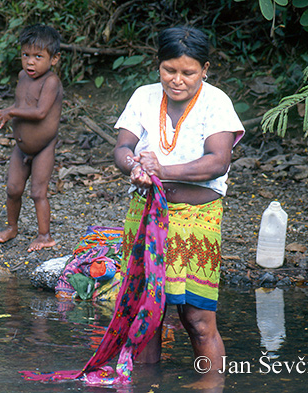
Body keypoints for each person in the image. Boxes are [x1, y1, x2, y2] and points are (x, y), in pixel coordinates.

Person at [113, 26, 244, 388]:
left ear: (205, 69)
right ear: (159, 66)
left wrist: (161, 169)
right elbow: (122, 147)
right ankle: (146, 382)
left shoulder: (216, 102)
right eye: (170, 70)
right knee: (146, 313)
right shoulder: (143, 96)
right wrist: (134, 164)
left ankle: (211, 384)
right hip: (145, 216)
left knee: (197, 317)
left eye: (188, 72)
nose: (177, 80)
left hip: (196, 220)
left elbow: (218, 161)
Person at [0, 24, 63, 252]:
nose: (30, 62)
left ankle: (44, 235)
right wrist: (3, 114)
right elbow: (21, 106)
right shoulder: (22, 77)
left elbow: (39, 112)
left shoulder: (51, 82)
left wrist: (10, 113)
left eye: (38, 57)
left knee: (38, 192)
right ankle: (12, 227)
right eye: (26, 55)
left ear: (54, 59)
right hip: (21, 148)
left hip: (43, 148)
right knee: (13, 189)